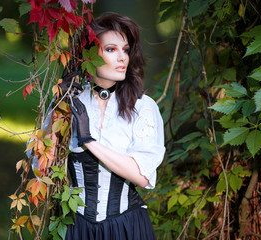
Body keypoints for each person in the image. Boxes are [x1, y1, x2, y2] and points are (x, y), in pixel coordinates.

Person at [54, 13, 165, 239]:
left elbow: (142, 176)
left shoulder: (142, 107)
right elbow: (41, 162)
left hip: (127, 227)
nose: (122, 57)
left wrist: (88, 140)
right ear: (89, 54)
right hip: (78, 227)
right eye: (111, 49)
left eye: (125, 50)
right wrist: (59, 106)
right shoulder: (71, 100)